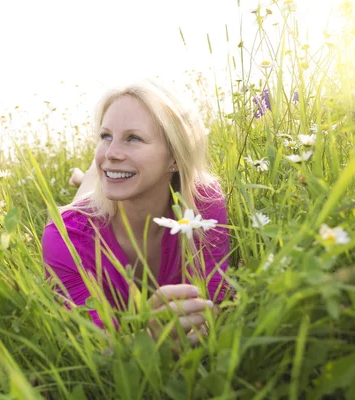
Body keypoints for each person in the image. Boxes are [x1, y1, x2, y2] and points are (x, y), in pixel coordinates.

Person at [42, 80, 231, 346]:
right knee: (91, 186)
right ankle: (84, 177)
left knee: (105, 172)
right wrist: (150, 338)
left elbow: (216, 303)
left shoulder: (205, 201)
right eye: (105, 136)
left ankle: (86, 176)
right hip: (94, 208)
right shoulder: (64, 236)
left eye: (133, 138)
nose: (111, 151)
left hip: (125, 180)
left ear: (175, 158)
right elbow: (95, 345)